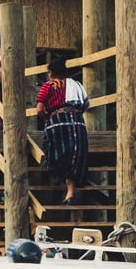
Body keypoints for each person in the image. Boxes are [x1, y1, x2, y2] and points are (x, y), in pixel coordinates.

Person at [36, 55, 91, 203]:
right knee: (75, 156)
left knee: (59, 155)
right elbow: (85, 105)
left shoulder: (48, 86)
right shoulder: (76, 85)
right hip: (77, 122)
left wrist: (47, 117)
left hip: (58, 122)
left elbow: (39, 109)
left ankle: (67, 191)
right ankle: (70, 193)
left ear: (51, 73)